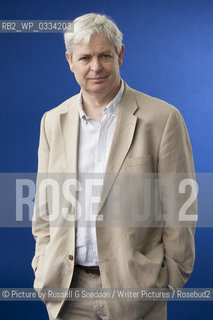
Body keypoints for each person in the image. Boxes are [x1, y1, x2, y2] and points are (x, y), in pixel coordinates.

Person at [32, 13, 197, 320]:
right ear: (70, 61)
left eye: (104, 55)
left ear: (120, 54)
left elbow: (181, 206)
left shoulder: (162, 119)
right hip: (68, 292)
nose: (95, 67)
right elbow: (44, 207)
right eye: (85, 57)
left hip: (137, 292)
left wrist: (169, 280)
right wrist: (43, 265)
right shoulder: (52, 121)